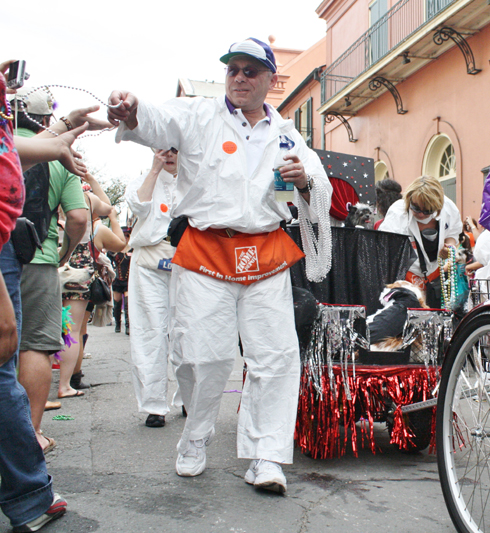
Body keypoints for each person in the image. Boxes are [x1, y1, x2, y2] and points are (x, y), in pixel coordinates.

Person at [108, 37, 332, 493]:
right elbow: (158, 119)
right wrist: (132, 111)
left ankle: (266, 455)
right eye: (233, 69)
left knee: (276, 357)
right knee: (200, 356)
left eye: (251, 71)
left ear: (271, 79)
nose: (240, 78)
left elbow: (317, 190)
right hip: (206, 253)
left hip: (265, 254)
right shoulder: (200, 116)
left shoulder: (287, 134)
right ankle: (195, 436)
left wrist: (304, 181)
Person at [0, 57, 68, 533]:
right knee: (13, 349)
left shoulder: (18, 131)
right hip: (25, 254)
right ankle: (28, 494)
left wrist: (63, 135)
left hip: (12, 246)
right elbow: (88, 216)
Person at [10, 89, 92, 452]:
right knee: (35, 348)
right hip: (37, 258)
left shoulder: (8, 143)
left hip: (2, 254)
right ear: (47, 119)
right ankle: (31, 434)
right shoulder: (59, 156)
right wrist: (64, 252)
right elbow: (77, 217)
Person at [124, 148, 181, 428]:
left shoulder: (194, 179)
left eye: (174, 149)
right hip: (148, 262)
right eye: (163, 149)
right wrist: (155, 170)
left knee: (187, 330)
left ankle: (188, 398)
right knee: (150, 332)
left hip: (186, 263)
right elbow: (139, 206)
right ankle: (154, 404)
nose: (169, 154)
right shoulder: (142, 180)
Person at [60, 181, 127, 397]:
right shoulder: (87, 199)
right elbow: (108, 209)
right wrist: (114, 217)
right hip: (77, 272)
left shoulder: (50, 188)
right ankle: (66, 383)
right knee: (73, 330)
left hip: (50, 262)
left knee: (42, 328)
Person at [378, 175, 461, 308]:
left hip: (435, 278)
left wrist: (449, 248)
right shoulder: (397, 213)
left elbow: (453, 234)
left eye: (427, 210)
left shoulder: (449, 209)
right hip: (406, 279)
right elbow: (384, 249)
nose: (421, 214)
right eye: (415, 208)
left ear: (438, 206)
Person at [108, 228, 131, 334]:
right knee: (117, 302)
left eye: (127, 235)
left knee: (127, 303)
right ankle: (118, 324)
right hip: (117, 280)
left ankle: (128, 326)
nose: (125, 238)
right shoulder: (113, 251)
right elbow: (108, 263)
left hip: (128, 280)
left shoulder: (133, 250)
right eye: (123, 235)